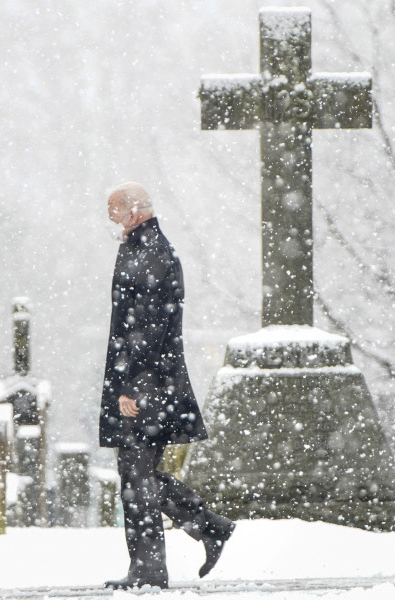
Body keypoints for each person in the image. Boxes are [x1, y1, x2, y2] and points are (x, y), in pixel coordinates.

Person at [99, 182, 236, 590]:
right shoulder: (140, 249)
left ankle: (156, 563)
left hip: (149, 384)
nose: (108, 218)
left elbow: (148, 327)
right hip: (147, 380)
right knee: (137, 475)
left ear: (134, 211)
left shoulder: (153, 254)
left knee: (137, 475)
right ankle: (203, 529)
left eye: (113, 209)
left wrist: (128, 386)